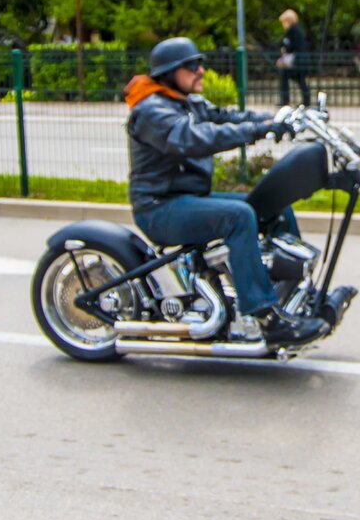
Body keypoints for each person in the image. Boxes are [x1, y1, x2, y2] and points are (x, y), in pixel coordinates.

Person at [123, 37, 328, 345]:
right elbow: (195, 137)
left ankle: (291, 294)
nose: (201, 70)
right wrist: (258, 131)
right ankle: (265, 316)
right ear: (169, 72)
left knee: (276, 206)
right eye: (192, 66)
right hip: (159, 208)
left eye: (200, 63)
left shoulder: (185, 102)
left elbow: (226, 117)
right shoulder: (152, 110)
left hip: (189, 199)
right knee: (239, 215)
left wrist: (275, 119)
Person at [276, 9, 311, 108]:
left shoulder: (292, 31)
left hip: (297, 62)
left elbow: (289, 46)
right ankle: (306, 101)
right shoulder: (298, 30)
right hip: (301, 62)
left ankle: (285, 100)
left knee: (285, 76)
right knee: (301, 81)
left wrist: (284, 50)